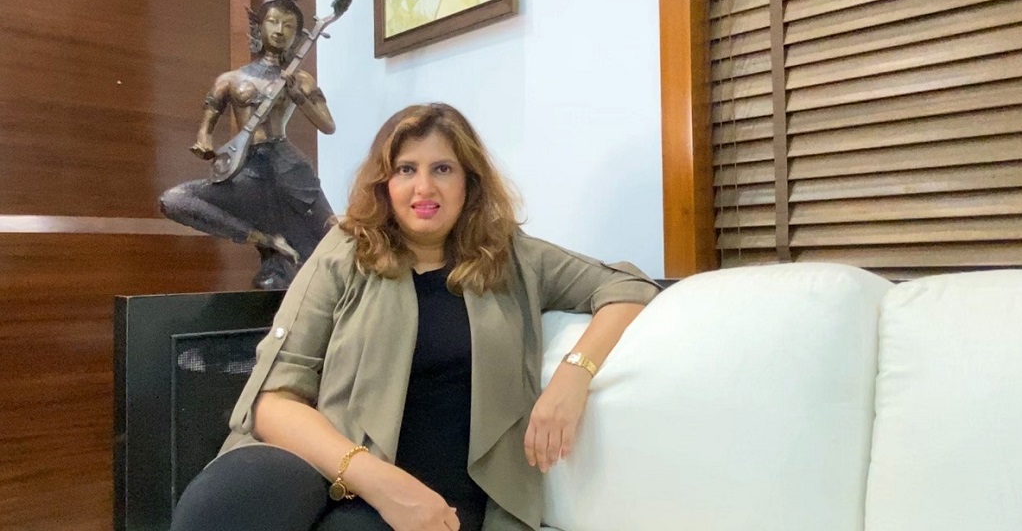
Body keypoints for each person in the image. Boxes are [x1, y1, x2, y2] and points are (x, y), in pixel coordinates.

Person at [170, 103, 662, 530]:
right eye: (406, 169)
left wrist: (573, 376)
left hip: (441, 500)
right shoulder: (345, 250)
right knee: (224, 504)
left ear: (469, 181)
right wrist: (379, 481)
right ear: (385, 183)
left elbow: (628, 287)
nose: (423, 187)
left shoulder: (512, 256)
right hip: (338, 467)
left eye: (442, 168)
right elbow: (273, 400)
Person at [159, 0, 336, 289]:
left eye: (289, 25)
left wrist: (299, 96)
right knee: (175, 200)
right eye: (273, 21)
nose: (280, 30)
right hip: (244, 166)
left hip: (287, 165)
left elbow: (327, 125)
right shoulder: (231, 79)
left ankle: (293, 271)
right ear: (259, 25)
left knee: (331, 238)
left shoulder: (300, 79)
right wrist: (204, 141)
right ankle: (267, 241)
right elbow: (207, 123)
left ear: (298, 34)